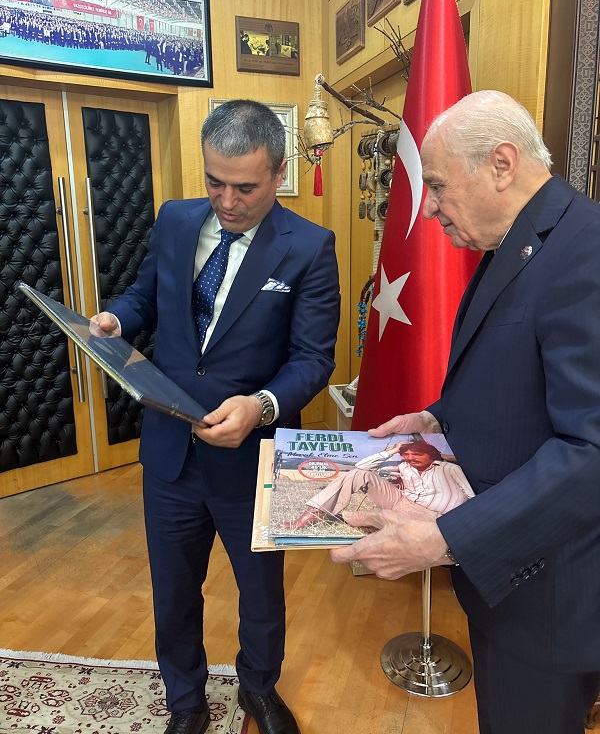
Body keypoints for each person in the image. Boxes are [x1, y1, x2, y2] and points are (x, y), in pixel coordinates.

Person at [331, 90, 600, 734]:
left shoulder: (584, 252)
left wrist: (445, 539)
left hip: (548, 600)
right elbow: (515, 376)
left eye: (439, 186)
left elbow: (591, 450)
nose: (428, 208)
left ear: (501, 165)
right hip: (507, 582)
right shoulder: (520, 240)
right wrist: (435, 417)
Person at [92, 100, 340, 734]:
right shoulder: (176, 220)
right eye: (215, 182)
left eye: (245, 187)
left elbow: (313, 359)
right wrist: (117, 317)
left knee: (261, 591)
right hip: (171, 452)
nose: (227, 201)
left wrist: (261, 406)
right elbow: (147, 294)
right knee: (174, 590)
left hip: (255, 458)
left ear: (278, 172)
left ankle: (259, 689)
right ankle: (186, 701)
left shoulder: (310, 247)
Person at [282, 441, 473, 530]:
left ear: (431, 455)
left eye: (417, 454)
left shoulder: (449, 469)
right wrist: (392, 451)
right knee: (360, 474)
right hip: (400, 502)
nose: (410, 458)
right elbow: (361, 467)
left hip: (432, 516)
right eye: (407, 454)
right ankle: (312, 514)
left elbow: (472, 497)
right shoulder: (404, 467)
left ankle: (379, 524)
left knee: (375, 525)